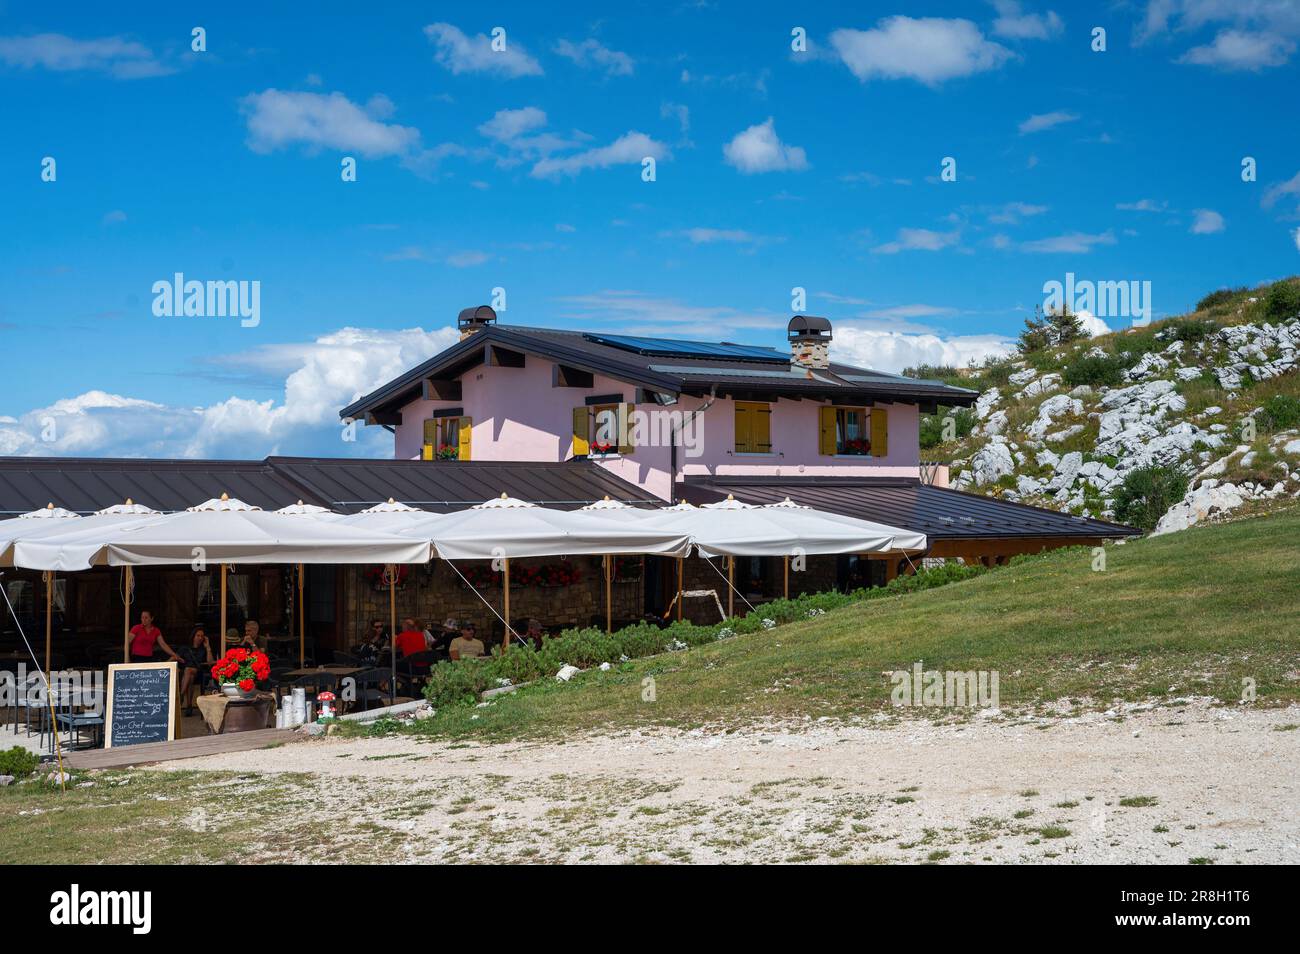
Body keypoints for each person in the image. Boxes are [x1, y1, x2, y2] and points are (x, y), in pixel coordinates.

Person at [176, 625, 214, 714]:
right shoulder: (185, 648)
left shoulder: (203, 650)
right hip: (186, 675)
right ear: (193, 636)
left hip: (199, 673)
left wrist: (208, 648)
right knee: (190, 676)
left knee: (189, 670)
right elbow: (175, 657)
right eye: (198, 635)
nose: (200, 638)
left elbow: (210, 663)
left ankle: (181, 695)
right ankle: (189, 707)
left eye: (202, 636)